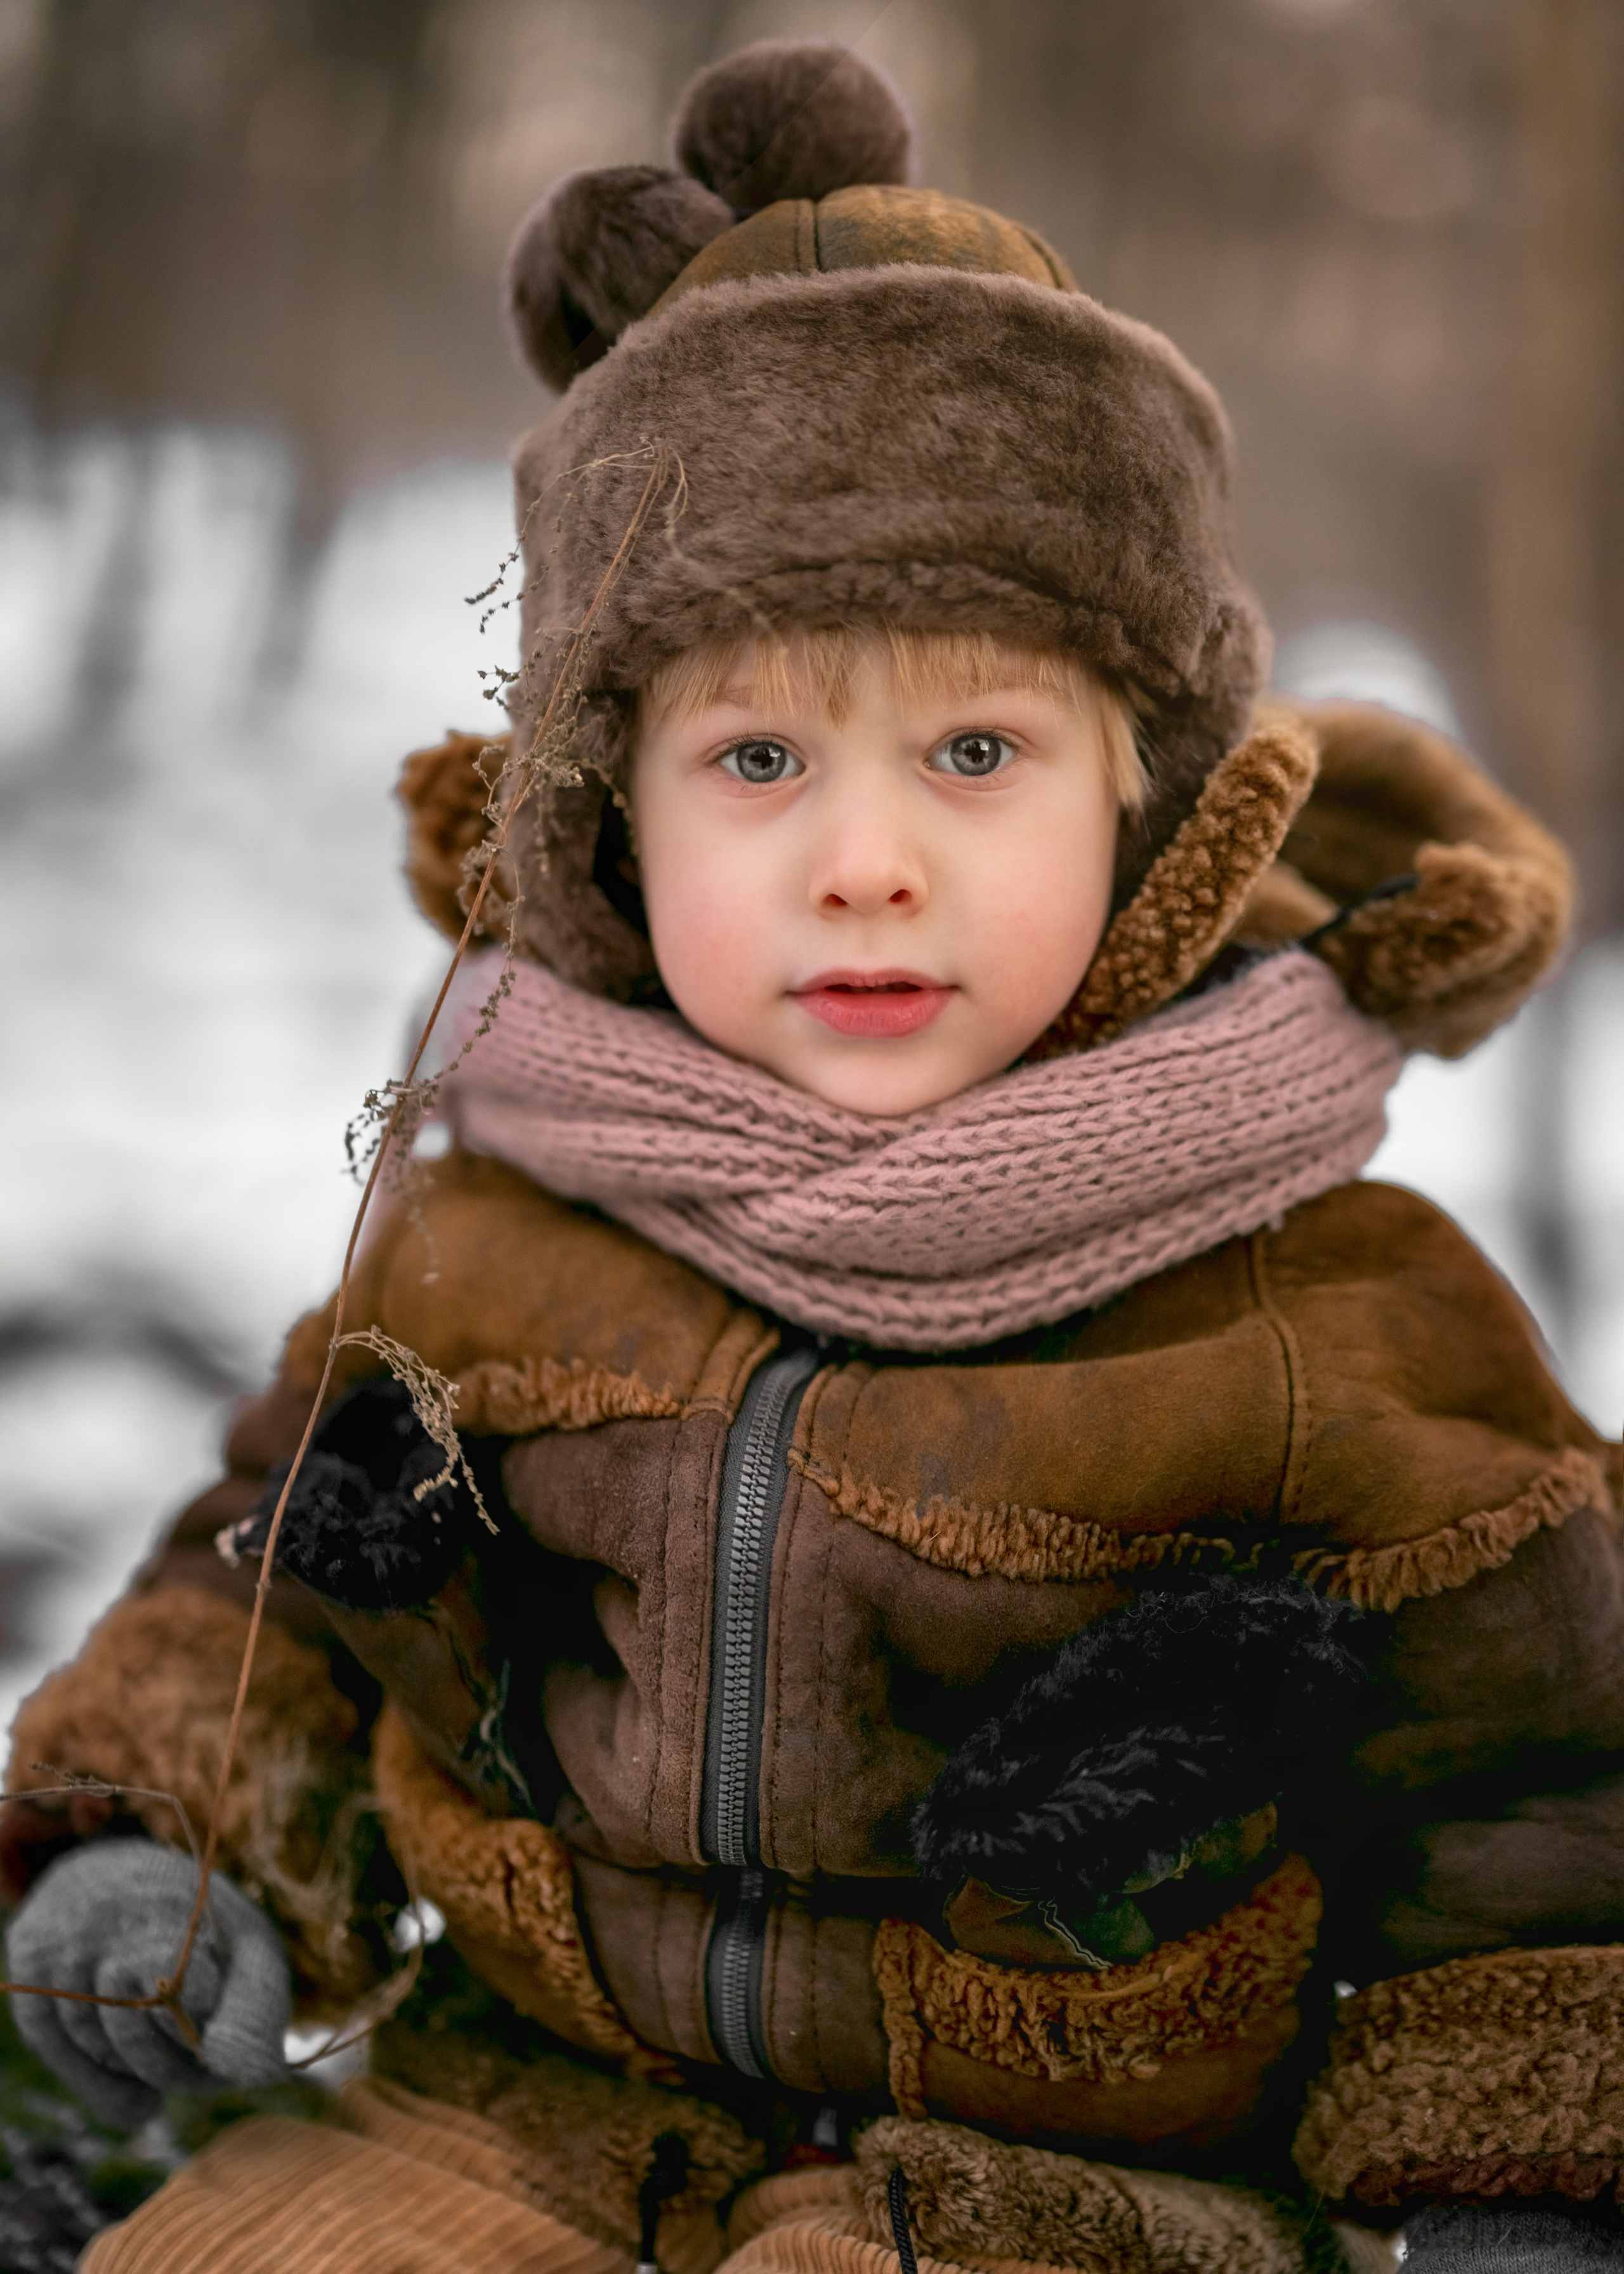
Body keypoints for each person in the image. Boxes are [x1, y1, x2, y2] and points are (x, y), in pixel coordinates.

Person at [4, 37, 1621, 2274]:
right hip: (534, 2088)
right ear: (603, 822)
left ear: (1144, 813)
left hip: (1077, 2194)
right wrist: (156, 1837)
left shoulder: (1336, 1307)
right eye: (756, 756)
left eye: (977, 749)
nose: (866, 863)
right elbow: (279, 1575)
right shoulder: (509, 1219)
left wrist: (1518, 2185)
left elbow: (1542, 1801)